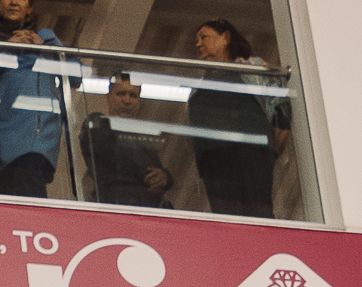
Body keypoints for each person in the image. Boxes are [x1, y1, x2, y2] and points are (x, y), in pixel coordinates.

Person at [188, 19, 289, 219]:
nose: (198, 44)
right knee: (226, 219)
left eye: (204, 37)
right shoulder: (199, 84)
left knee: (257, 214)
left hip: (252, 157)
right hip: (213, 162)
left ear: (226, 38)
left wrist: (267, 155)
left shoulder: (254, 69)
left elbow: (282, 114)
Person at [0, 0, 64, 199]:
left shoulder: (46, 36)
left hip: (39, 130)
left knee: (29, 180)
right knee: (10, 198)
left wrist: (44, 48)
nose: (14, 2)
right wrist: (7, 48)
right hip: (4, 129)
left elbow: (74, 76)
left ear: (29, 9)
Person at [79, 74, 173, 209]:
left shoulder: (141, 134)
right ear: (108, 98)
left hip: (150, 209)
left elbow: (155, 167)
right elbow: (118, 159)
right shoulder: (97, 123)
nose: (127, 100)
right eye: (121, 94)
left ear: (139, 102)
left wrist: (165, 178)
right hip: (115, 205)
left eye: (133, 95)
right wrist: (149, 176)